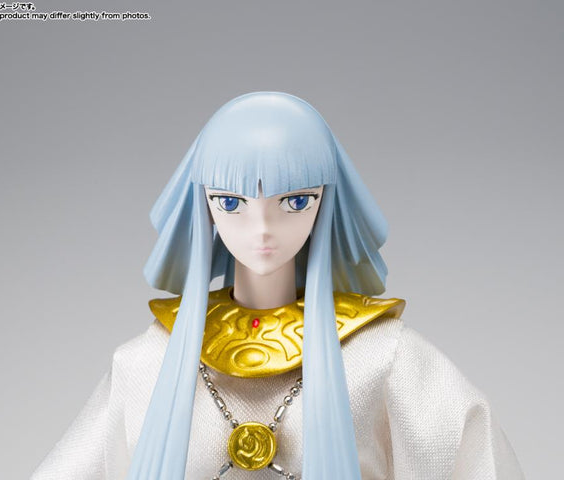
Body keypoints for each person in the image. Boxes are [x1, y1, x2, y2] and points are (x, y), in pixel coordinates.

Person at [31, 92, 524, 479]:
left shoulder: (385, 358)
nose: (262, 228)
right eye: (231, 203)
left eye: (294, 202)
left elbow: (476, 459)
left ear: (325, 202)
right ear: (203, 205)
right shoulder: (146, 364)